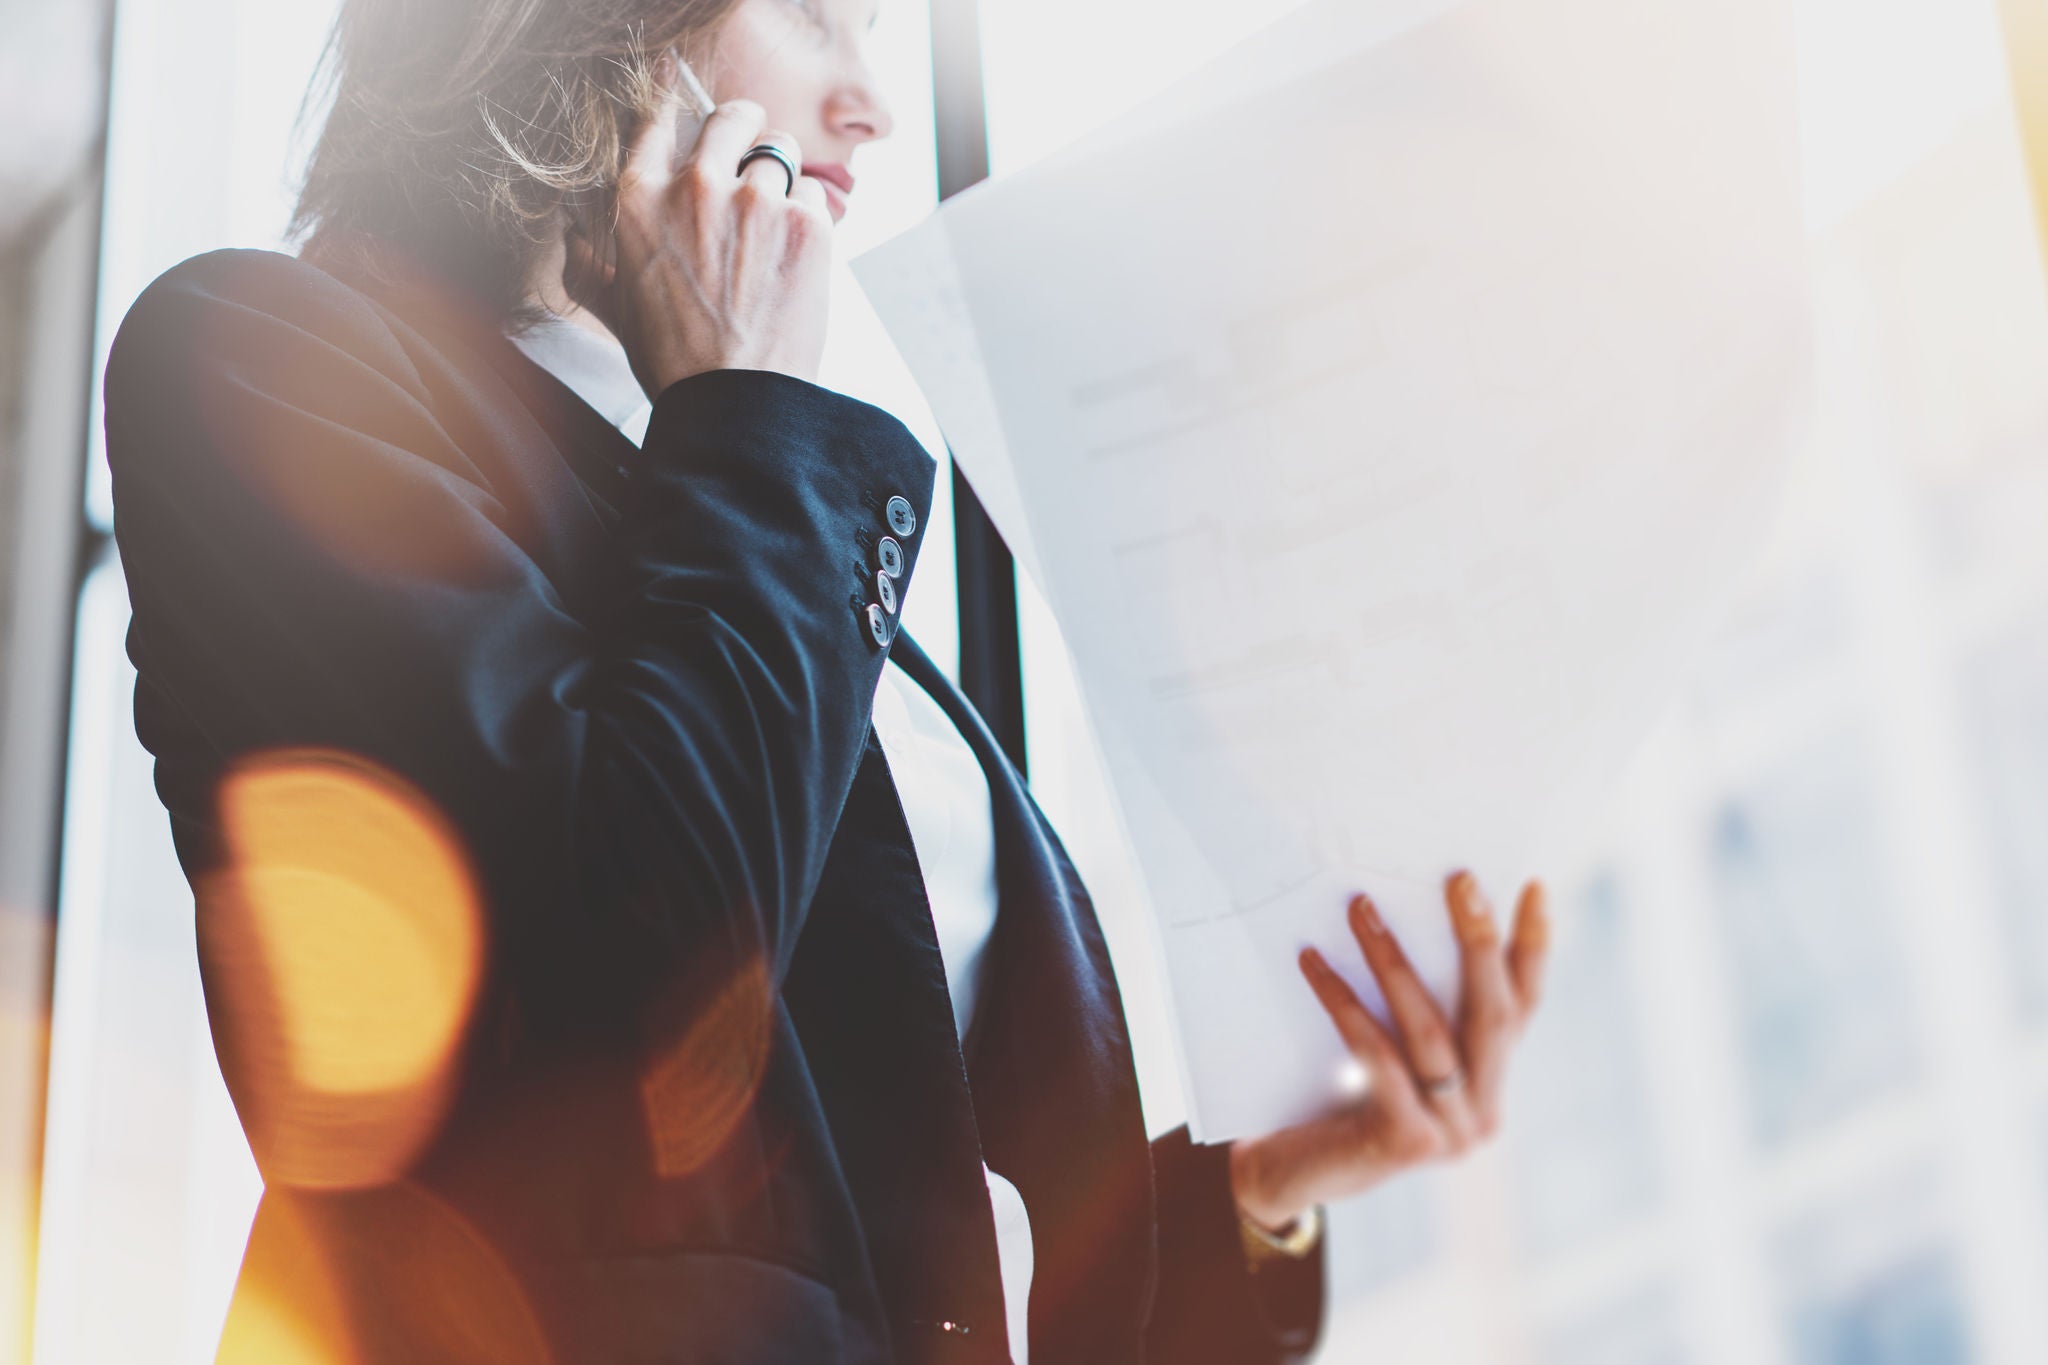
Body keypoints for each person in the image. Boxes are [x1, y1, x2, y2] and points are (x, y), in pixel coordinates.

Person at [102, 0, 1552, 1359]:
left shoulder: (742, 499)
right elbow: (617, 1002)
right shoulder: (265, 363)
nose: (871, 109)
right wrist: (746, 407)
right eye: (813, 9)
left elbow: (899, 1236)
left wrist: (1272, 1183)